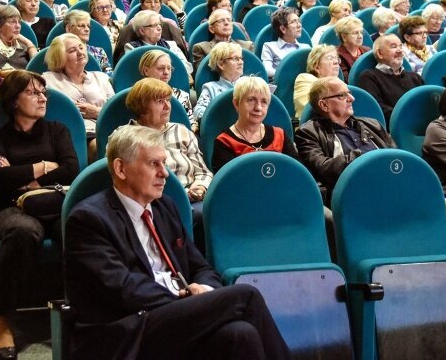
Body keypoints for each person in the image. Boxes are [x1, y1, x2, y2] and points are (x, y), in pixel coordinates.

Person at [64, 123, 292, 360]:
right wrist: (185, 297)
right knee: (246, 296)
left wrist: (206, 290)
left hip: (171, 319)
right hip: (127, 329)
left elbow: (199, 267)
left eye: (164, 163)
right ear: (121, 169)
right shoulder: (89, 219)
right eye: (154, 164)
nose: (165, 173)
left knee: (241, 333)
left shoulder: (164, 207)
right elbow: (122, 289)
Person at [0, 70, 79, 360]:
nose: (42, 98)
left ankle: (81, 311)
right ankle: (3, 322)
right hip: (11, 207)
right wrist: (44, 166)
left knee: (78, 227)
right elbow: (0, 178)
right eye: (33, 93)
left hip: (55, 203)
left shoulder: (57, 129)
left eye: (43, 93)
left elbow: (71, 169)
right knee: (21, 232)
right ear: (14, 101)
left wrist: (23, 173)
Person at [126, 78, 213, 219]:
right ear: (141, 107)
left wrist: (200, 187)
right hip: (150, 204)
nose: (167, 106)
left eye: (168, 100)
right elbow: (126, 183)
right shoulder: (124, 138)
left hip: (193, 201)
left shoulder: (182, 130)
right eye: (160, 101)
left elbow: (203, 172)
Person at [296, 77, 395, 197]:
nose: (352, 99)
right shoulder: (308, 133)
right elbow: (322, 167)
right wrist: (365, 157)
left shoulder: (373, 124)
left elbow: (396, 156)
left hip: (389, 184)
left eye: (349, 93)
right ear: (324, 105)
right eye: (342, 95)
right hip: (352, 193)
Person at [43, 33, 114, 156]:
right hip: (69, 135)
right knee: (101, 147)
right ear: (60, 57)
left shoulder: (101, 78)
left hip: (105, 131)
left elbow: (115, 112)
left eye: (81, 48)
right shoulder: (47, 80)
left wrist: (97, 111)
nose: (80, 52)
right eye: (72, 50)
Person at [211, 76, 299, 172]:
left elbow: (297, 173)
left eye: (264, 101)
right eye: (251, 100)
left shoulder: (280, 135)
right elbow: (228, 183)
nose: (258, 108)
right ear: (236, 104)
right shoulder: (225, 142)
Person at [358, 34, 424, 124]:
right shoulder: (369, 77)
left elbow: (426, 101)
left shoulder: (414, 77)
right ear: (380, 53)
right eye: (393, 46)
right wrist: (411, 117)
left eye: (401, 46)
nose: (400, 50)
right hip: (394, 128)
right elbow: (376, 108)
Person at [125, 10, 192, 75]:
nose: (159, 28)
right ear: (142, 31)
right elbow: (134, 73)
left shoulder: (171, 45)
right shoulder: (131, 48)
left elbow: (188, 68)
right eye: (154, 25)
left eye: (159, 24)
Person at [193, 42, 244, 123]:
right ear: (221, 64)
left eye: (241, 58)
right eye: (235, 58)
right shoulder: (211, 88)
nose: (241, 62)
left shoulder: (250, 84)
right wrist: (220, 114)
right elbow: (197, 112)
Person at [294, 45, 341, 119]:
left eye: (337, 59)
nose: (336, 62)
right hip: (315, 127)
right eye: (330, 58)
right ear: (316, 66)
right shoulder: (305, 79)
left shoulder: (341, 84)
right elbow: (311, 109)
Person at [261, 7, 309, 79]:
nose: (299, 25)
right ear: (283, 29)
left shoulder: (306, 48)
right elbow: (267, 70)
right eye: (293, 22)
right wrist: (289, 76)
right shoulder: (269, 46)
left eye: (299, 21)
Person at [63, 10, 112, 75]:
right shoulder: (61, 52)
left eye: (88, 26)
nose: (87, 29)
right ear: (69, 29)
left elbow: (109, 77)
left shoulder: (99, 52)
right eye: (82, 26)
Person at [335, 16, 370, 81]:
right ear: (344, 37)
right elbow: (347, 80)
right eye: (355, 33)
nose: (360, 36)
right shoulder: (337, 54)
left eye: (361, 32)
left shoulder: (368, 51)